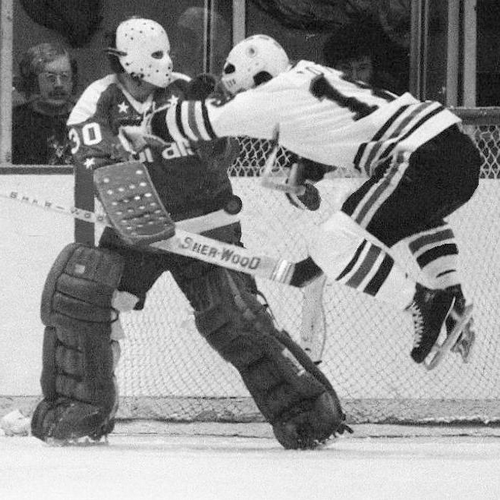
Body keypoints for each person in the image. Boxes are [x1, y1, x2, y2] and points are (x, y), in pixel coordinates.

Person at [29, 19, 346, 450]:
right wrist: (127, 146)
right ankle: (79, 410)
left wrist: (204, 131)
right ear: (128, 64)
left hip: (205, 227)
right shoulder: (98, 99)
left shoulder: (187, 91)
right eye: (154, 57)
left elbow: (226, 148)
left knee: (235, 318)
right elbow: (89, 154)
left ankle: (307, 413)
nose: (165, 64)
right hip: (137, 231)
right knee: (82, 299)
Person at [125, 34, 480, 368]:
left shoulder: (269, 94)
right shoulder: (312, 78)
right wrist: (305, 174)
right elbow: (339, 129)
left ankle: (424, 303)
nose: (236, 98)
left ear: (252, 76)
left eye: (237, 90)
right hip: (455, 154)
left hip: (419, 156)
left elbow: (202, 120)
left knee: (332, 244)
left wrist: (146, 127)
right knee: (419, 217)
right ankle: (451, 297)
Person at [12, 42, 77, 165]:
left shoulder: (88, 116)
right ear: (33, 81)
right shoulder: (14, 121)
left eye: (65, 76)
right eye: (50, 77)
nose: (59, 84)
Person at [322, 18, 409, 94]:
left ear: (373, 69)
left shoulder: (387, 102)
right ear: (333, 69)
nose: (354, 77)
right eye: (346, 68)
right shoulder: (320, 98)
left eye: (362, 68)